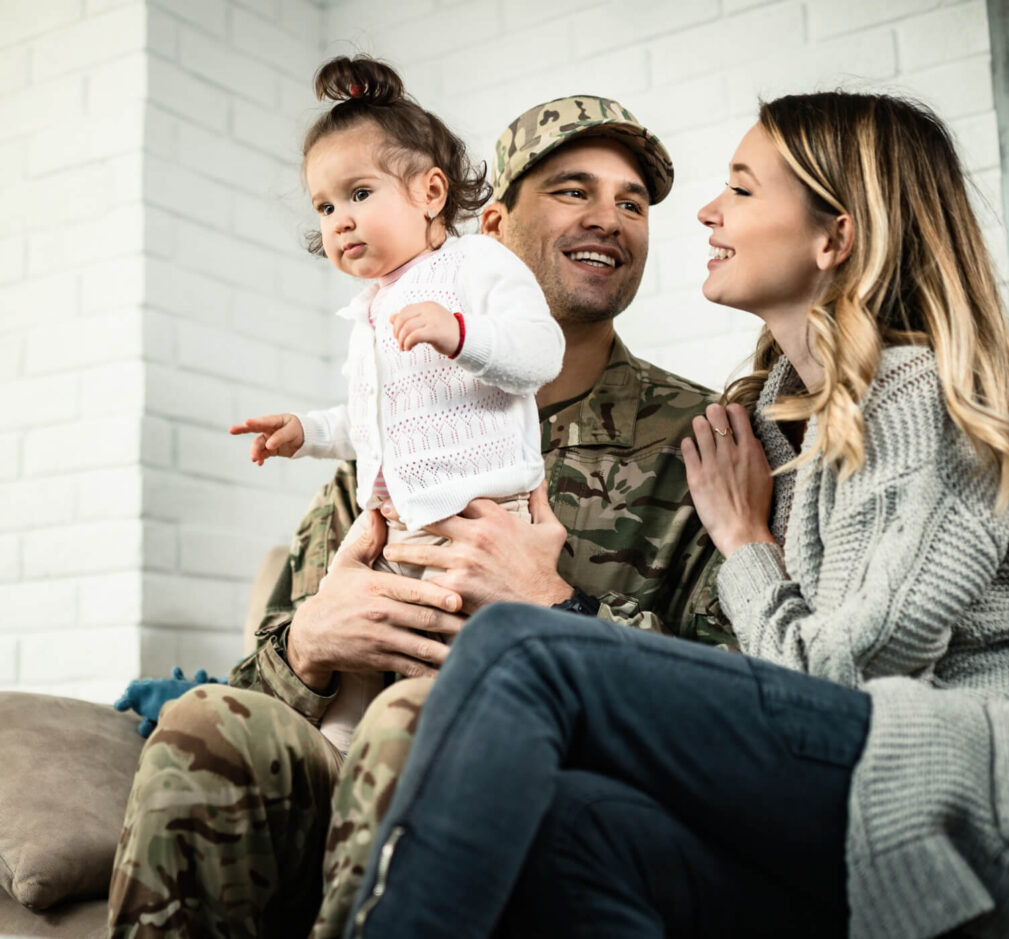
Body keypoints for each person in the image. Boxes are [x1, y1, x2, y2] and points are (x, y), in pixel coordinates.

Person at [346, 92, 1009, 939]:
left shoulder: (922, 400)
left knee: (520, 648)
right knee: (569, 824)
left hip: (960, 788)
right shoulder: (773, 422)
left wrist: (744, 543)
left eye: (741, 188)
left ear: (835, 237)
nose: (705, 211)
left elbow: (837, 684)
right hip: (852, 804)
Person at [107, 92, 727, 937]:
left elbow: (740, 710)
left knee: (420, 722)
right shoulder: (390, 429)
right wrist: (311, 643)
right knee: (203, 724)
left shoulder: (700, 439)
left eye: (633, 202)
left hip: (543, 793)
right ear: (492, 227)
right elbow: (262, 678)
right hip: (343, 769)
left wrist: (558, 609)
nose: (610, 219)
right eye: (573, 190)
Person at [229, 54, 563, 752]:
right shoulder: (374, 307)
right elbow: (373, 421)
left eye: (358, 193)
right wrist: (306, 430)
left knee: (443, 657)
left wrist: (460, 333)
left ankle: (431, 749)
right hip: (394, 524)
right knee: (357, 643)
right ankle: (340, 749)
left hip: (476, 523)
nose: (339, 221)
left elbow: (540, 354)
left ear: (430, 192)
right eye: (325, 207)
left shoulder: (476, 265)